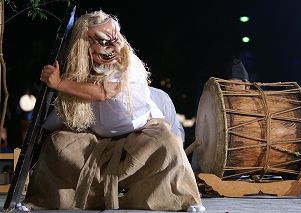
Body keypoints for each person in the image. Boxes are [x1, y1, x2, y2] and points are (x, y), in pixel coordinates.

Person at [20, 10, 205, 212]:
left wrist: (59, 83)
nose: (113, 47)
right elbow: (57, 118)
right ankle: (49, 199)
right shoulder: (77, 68)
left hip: (141, 134)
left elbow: (103, 92)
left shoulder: (127, 62)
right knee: (58, 144)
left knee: (166, 141)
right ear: (84, 44)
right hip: (96, 139)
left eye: (115, 39)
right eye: (102, 41)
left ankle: (184, 200)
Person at [191, 58, 250, 172]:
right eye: (229, 83)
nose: (232, 87)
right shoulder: (217, 107)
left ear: (246, 86)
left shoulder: (255, 107)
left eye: (236, 84)